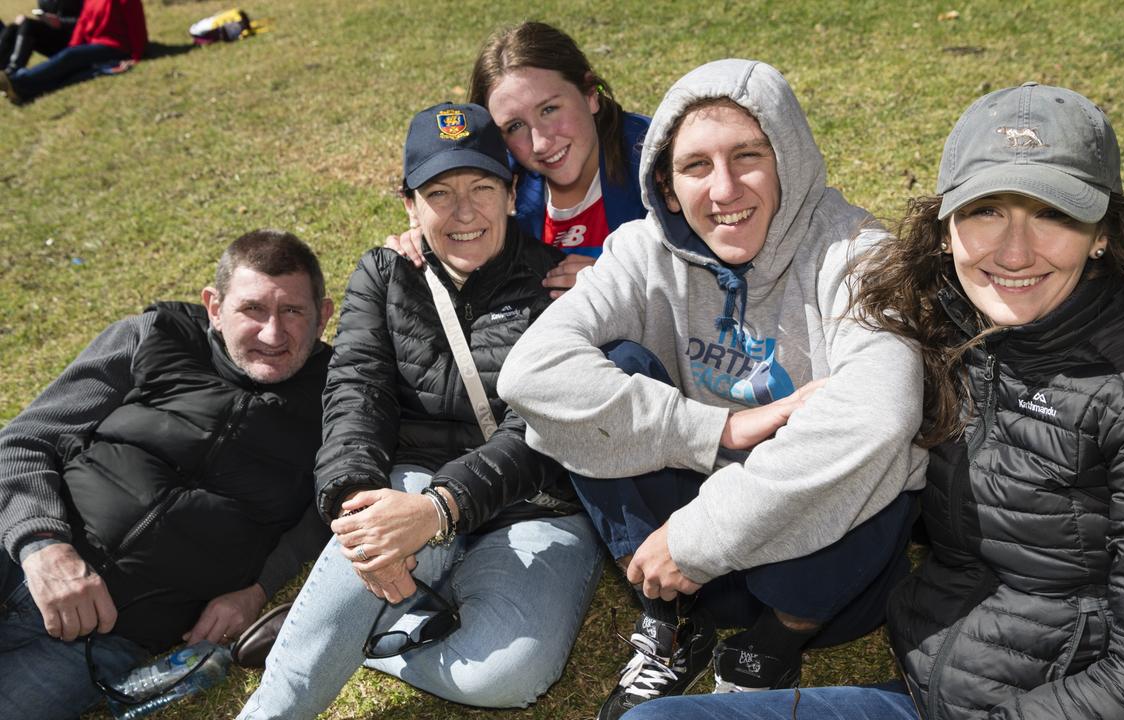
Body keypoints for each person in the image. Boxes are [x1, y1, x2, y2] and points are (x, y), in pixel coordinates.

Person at [619, 83, 1124, 720]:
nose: (1014, 251)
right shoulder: (947, 329)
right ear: (947, 225)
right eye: (986, 211)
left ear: (1103, 231)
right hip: (928, 690)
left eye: (1053, 213)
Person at [498, 59, 927, 720]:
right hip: (678, 560)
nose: (724, 190)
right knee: (608, 367)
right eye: (696, 167)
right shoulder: (640, 250)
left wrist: (702, 534)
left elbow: (882, 411)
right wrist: (716, 431)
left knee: (886, 436)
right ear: (668, 188)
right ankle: (671, 622)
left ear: (789, 159)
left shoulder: (859, 254)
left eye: (748, 156)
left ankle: (776, 639)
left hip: (821, 570)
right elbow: (529, 375)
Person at [236, 102, 600, 719]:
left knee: (507, 676)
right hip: (410, 485)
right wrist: (359, 506)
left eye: (482, 188)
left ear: (512, 194)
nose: (463, 213)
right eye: (439, 193)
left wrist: (440, 510)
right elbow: (354, 393)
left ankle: (363, 635)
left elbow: (542, 431)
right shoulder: (383, 275)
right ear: (409, 205)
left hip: (535, 508)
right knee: (372, 534)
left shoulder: (561, 285)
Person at [0, 229, 335, 720]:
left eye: (293, 312)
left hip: (104, 640)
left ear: (323, 316)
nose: (272, 334)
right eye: (252, 310)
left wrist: (258, 588)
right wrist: (44, 547)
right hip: (15, 556)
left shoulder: (340, 398)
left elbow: (330, 510)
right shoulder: (154, 335)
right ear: (214, 307)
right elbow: (27, 440)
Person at [388, 21, 649, 298]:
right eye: (514, 126)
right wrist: (421, 242)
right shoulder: (503, 181)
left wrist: (618, 285)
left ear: (590, 94)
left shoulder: (658, 164)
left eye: (549, 109)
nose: (541, 143)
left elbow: (695, 279)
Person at [0, 0, 145, 104]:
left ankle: (19, 83)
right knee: (69, 58)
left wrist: (136, 56)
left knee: (70, 57)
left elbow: (137, 28)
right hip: (93, 45)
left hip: (116, 48)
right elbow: (83, 23)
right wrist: (73, 47)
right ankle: (17, 82)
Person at [0, 0, 82, 76]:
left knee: (28, 25)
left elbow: (88, 21)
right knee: (13, 27)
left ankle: (12, 72)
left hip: (75, 41)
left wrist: (61, 22)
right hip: (55, 38)